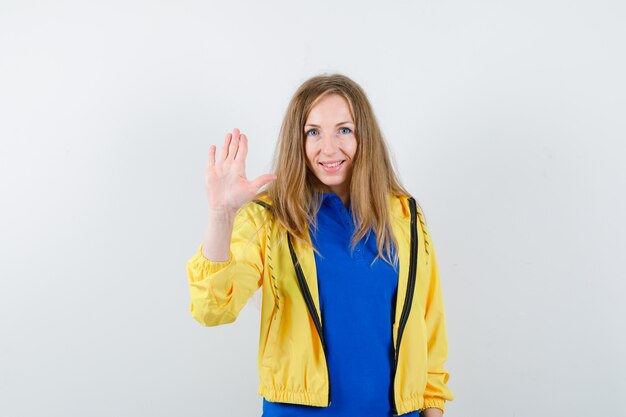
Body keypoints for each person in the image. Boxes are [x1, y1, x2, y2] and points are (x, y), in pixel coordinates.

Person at [186, 74, 454, 416]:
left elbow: (430, 328)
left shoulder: (405, 216)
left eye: (344, 129)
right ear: (298, 140)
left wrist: (431, 409)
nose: (329, 148)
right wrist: (221, 215)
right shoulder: (270, 217)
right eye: (313, 132)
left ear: (364, 137)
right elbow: (211, 309)